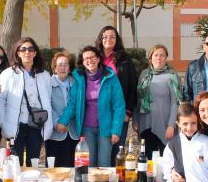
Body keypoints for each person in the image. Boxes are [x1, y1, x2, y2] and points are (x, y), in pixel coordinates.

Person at [56, 45, 125, 167]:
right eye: (86, 58)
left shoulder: (110, 77)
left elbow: (119, 106)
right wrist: (63, 121)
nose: (89, 60)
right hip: (87, 128)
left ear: (99, 59)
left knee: (104, 163)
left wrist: (116, 131)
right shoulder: (79, 78)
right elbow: (73, 103)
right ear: (83, 62)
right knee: (89, 163)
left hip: (106, 129)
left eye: (92, 57)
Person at [0, 37, 53, 166]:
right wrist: (3, 122)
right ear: (18, 52)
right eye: (23, 49)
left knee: (33, 163)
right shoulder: (8, 74)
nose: (27, 52)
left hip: (36, 125)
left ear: (35, 53)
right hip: (16, 126)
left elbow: (47, 99)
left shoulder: (44, 75)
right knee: (14, 163)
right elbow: (1, 100)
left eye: (30, 49)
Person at [95, 26, 137, 164]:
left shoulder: (124, 60)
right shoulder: (95, 58)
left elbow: (133, 86)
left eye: (112, 36)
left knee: (116, 150)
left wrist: (128, 111)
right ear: (100, 39)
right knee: (99, 150)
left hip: (119, 112)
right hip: (99, 113)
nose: (109, 39)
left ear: (117, 39)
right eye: (105, 36)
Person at [132, 44, 182, 159]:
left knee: (167, 161)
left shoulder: (172, 76)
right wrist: (135, 120)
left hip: (165, 125)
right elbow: (138, 99)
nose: (159, 58)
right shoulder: (144, 75)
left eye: (162, 55)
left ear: (166, 58)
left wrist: (172, 125)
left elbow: (176, 102)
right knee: (148, 161)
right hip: (146, 124)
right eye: (156, 55)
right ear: (150, 58)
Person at [45, 51, 79, 167]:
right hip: (55, 133)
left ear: (69, 68)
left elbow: (76, 105)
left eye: (66, 65)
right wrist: (57, 123)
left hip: (74, 131)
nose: (63, 68)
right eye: (60, 65)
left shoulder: (76, 83)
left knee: (74, 167)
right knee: (56, 168)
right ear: (54, 68)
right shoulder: (48, 83)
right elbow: (47, 106)